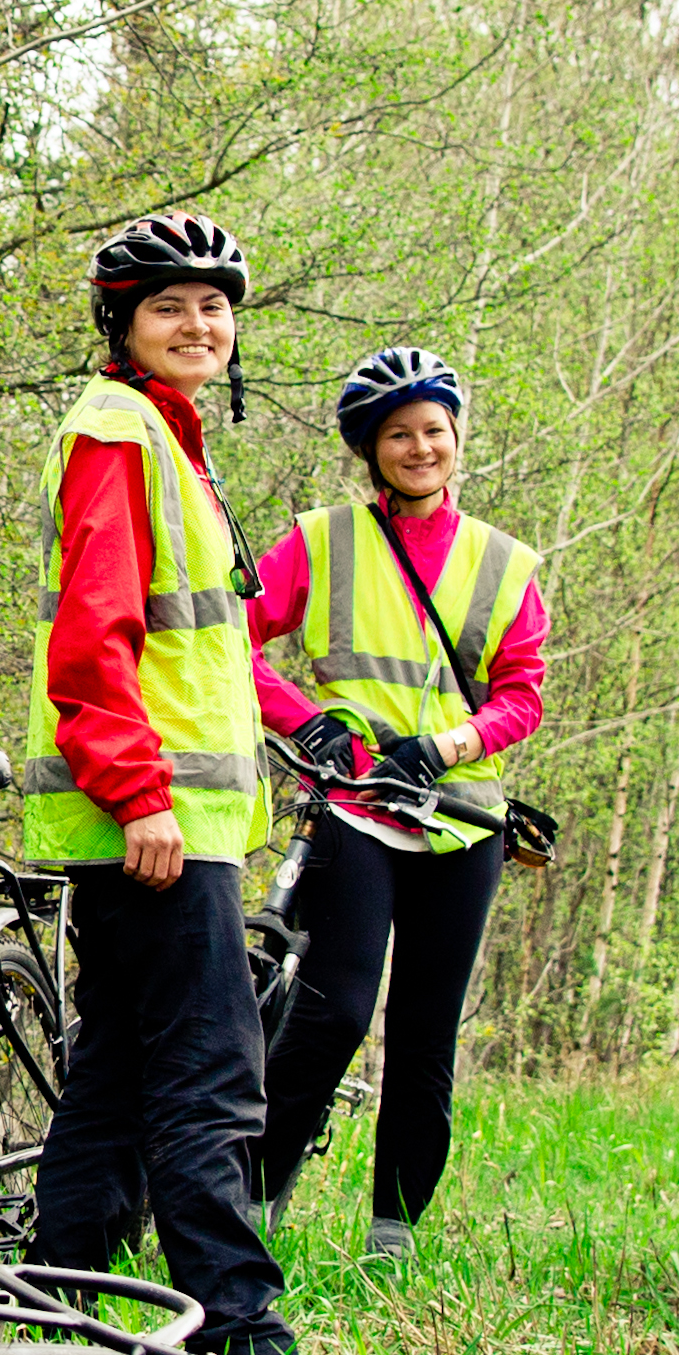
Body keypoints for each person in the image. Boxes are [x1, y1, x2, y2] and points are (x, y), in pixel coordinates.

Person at [20, 213, 294, 1355]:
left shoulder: (164, 443)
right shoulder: (119, 434)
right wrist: (139, 795)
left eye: (213, 305)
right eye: (168, 307)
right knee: (209, 1074)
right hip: (150, 820)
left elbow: (199, 638)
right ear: (122, 325)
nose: (198, 325)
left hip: (168, 817)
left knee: (120, 1073)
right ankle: (238, 1334)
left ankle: (51, 1307)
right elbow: (92, 639)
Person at [245, 345, 547, 1256]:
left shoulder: (504, 560)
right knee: (332, 1011)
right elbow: (231, 640)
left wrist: (447, 745)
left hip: (461, 819)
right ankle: (254, 1204)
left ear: (456, 438)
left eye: (434, 432)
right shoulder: (324, 538)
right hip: (354, 805)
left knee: (424, 1033)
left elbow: (522, 693)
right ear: (369, 450)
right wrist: (305, 722)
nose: (420, 449)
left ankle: (393, 1237)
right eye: (398, 436)